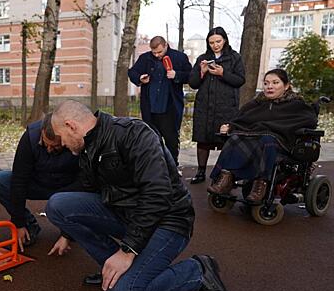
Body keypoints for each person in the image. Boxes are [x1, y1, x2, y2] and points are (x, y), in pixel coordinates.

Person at [46, 100, 228, 291]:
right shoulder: (87, 149)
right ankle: (112, 268)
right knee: (57, 205)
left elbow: (158, 194)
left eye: (61, 137)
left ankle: (197, 271)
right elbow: (89, 192)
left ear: (71, 126)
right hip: (128, 215)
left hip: (168, 220)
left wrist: (127, 250)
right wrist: (67, 233)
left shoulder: (134, 133)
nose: (62, 144)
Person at [207, 69, 318, 202]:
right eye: (266, 83)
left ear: (286, 86)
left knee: (267, 140)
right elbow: (240, 119)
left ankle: (261, 183)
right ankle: (226, 177)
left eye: (275, 83)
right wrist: (230, 126)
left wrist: (273, 128)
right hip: (254, 139)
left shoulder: (296, 105)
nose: (269, 86)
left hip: (281, 142)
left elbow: (310, 120)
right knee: (235, 138)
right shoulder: (256, 104)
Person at [0, 113, 80, 252]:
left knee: (86, 191)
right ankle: (30, 225)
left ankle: (72, 228)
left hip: (66, 188)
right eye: (45, 144)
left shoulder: (78, 141)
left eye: (54, 147)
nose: (49, 149)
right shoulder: (30, 137)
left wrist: (67, 234)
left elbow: (85, 184)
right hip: (38, 182)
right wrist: (18, 223)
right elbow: (19, 179)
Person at [189, 27, 245, 184]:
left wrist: (222, 73)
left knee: (225, 140)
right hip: (205, 106)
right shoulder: (202, 58)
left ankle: (225, 174)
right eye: (211, 42)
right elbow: (193, 83)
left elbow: (240, 80)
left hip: (226, 106)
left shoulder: (235, 58)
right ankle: (200, 172)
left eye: (218, 41)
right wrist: (201, 72)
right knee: (203, 140)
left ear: (225, 40)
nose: (215, 45)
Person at [128, 36, 192, 166]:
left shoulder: (180, 57)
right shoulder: (145, 58)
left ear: (166, 45)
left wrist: (177, 75)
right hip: (150, 107)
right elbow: (132, 72)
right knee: (151, 140)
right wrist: (140, 78)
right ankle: (155, 168)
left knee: (171, 139)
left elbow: (191, 76)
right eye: (154, 52)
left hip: (170, 107)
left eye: (160, 52)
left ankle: (173, 167)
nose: (157, 55)